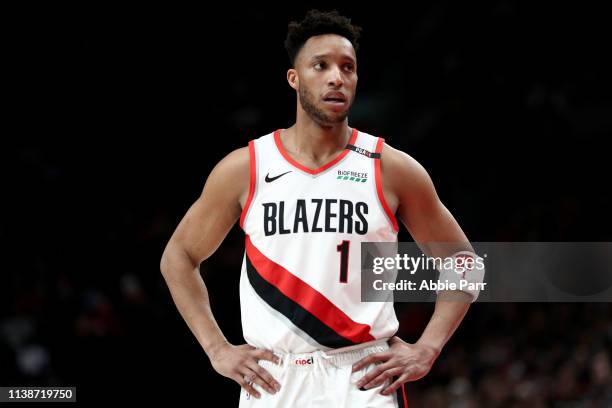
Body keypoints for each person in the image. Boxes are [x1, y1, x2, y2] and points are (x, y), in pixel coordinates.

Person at [160, 9, 481, 407]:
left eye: (348, 68)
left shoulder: (390, 168)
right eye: (321, 65)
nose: (337, 77)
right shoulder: (246, 167)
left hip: (363, 377)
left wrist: (428, 347)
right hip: (273, 378)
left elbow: (464, 261)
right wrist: (216, 348)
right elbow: (179, 256)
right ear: (294, 78)